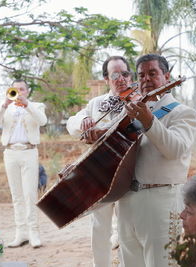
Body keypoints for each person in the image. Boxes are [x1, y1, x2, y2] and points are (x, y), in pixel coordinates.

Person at [116, 54, 196, 267]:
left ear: (167, 76)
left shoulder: (182, 112)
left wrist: (149, 121)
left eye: (153, 73)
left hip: (161, 201)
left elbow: (175, 149)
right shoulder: (129, 113)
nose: (146, 79)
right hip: (127, 201)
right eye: (141, 75)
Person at [67, 55, 133, 267]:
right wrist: (83, 120)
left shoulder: (139, 100)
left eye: (125, 73)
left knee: (126, 228)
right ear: (106, 78)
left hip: (129, 172)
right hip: (99, 173)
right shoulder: (96, 103)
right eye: (115, 74)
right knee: (99, 227)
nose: (121, 78)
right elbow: (72, 123)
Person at [0, 79, 47, 249]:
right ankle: (20, 233)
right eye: (15, 89)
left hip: (29, 151)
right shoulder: (7, 108)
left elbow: (42, 121)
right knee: (16, 195)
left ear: (27, 91)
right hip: (10, 152)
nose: (18, 92)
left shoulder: (37, 105)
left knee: (30, 194)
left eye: (22, 89)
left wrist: (27, 105)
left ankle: (33, 232)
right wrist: (4, 105)